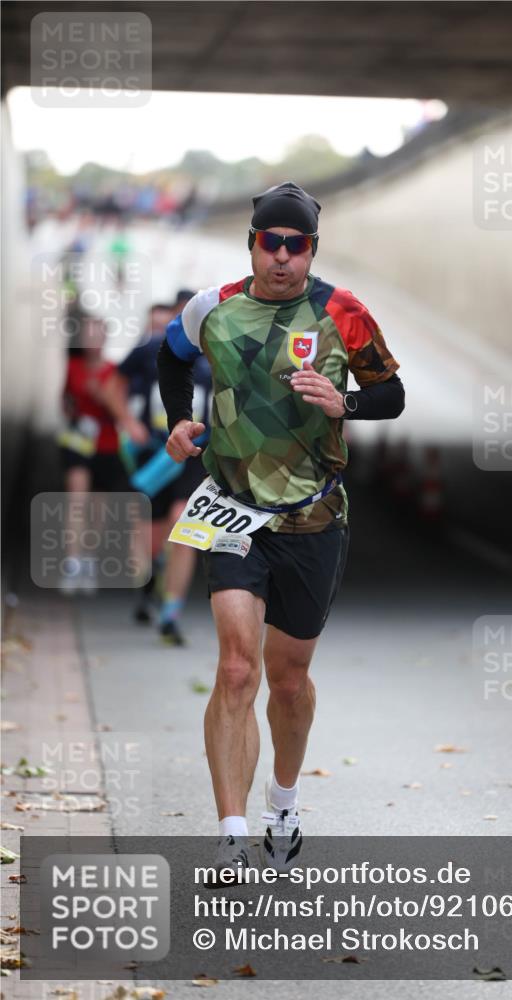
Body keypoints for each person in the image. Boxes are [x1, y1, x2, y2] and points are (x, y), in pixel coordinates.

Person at [157, 181, 404, 872]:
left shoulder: (340, 311)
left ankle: (283, 803)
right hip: (233, 509)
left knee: (287, 680)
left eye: (298, 246)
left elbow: (391, 393)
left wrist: (344, 401)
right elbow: (170, 358)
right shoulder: (213, 307)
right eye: (274, 242)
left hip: (313, 515)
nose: (285, 257)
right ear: (254, 243)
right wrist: (178, 421)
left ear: (311, 251)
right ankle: (231, 832)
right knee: (236, 668)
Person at [118, 295, 212, 645]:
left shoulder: (216, 352)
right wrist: (128, 422)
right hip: (157, 454)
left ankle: (171, 612)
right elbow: (113, 382)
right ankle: (152, 577)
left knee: (183, 523)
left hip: (195, 455)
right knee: (152, 539)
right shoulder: (152, 349)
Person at [57, 316, 148, 593]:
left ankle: (87, 559)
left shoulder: (114, 371)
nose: (92, 341)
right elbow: (65, 400)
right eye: (88, 336)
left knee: (98, 511)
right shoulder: (72, 367)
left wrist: (106, 400)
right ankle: (72, 563)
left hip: (108, 446)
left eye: (97, 335)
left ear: (105, 338)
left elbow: (122, 406)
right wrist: (75, 414)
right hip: (79, 443)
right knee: (77, 499)